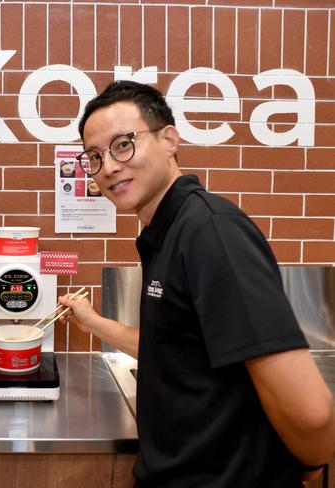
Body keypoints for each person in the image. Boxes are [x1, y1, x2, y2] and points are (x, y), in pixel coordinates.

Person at [58, 80, 335, 487]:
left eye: (123, 145)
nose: (109, 167)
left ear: (169, 139)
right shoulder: (167, 232)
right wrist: (94, 322)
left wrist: (310, 465)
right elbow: (179, 349)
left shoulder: (211, 233)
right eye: (95, 157)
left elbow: (311, 411)